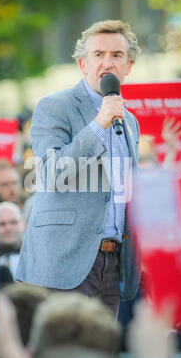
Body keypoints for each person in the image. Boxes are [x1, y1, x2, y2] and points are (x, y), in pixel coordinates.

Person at [16, 19, 142, 317]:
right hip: (61, 262)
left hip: (112, 263)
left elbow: (126, 188)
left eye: (116, 55)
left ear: (129, 66)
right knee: (58, 357)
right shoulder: (54, 107)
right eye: (98, 55)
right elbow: (51, 174)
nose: (107, 62)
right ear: (83, 64)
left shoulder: (131, 121)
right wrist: (99, 123)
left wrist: (175, 182)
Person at [0, 202, 25, 277]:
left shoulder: (38, 258)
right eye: (2, 224)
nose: (8, 228)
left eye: (13, 222)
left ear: (24, 225)